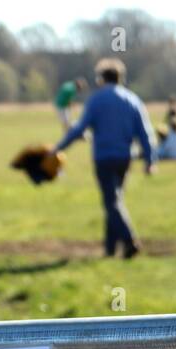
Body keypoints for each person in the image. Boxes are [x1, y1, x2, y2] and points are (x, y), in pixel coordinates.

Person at [53, 59, 155, 259]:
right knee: (114, 200)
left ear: (100, 79)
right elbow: (145, 132)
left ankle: (129, 241)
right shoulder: (133, 100)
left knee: (111, 202)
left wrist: (59, 148)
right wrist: (150, 160)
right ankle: (110, 249)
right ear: (120, 79)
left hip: (103, 158)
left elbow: (79, 129)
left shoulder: (96, 101)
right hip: (125, 158)